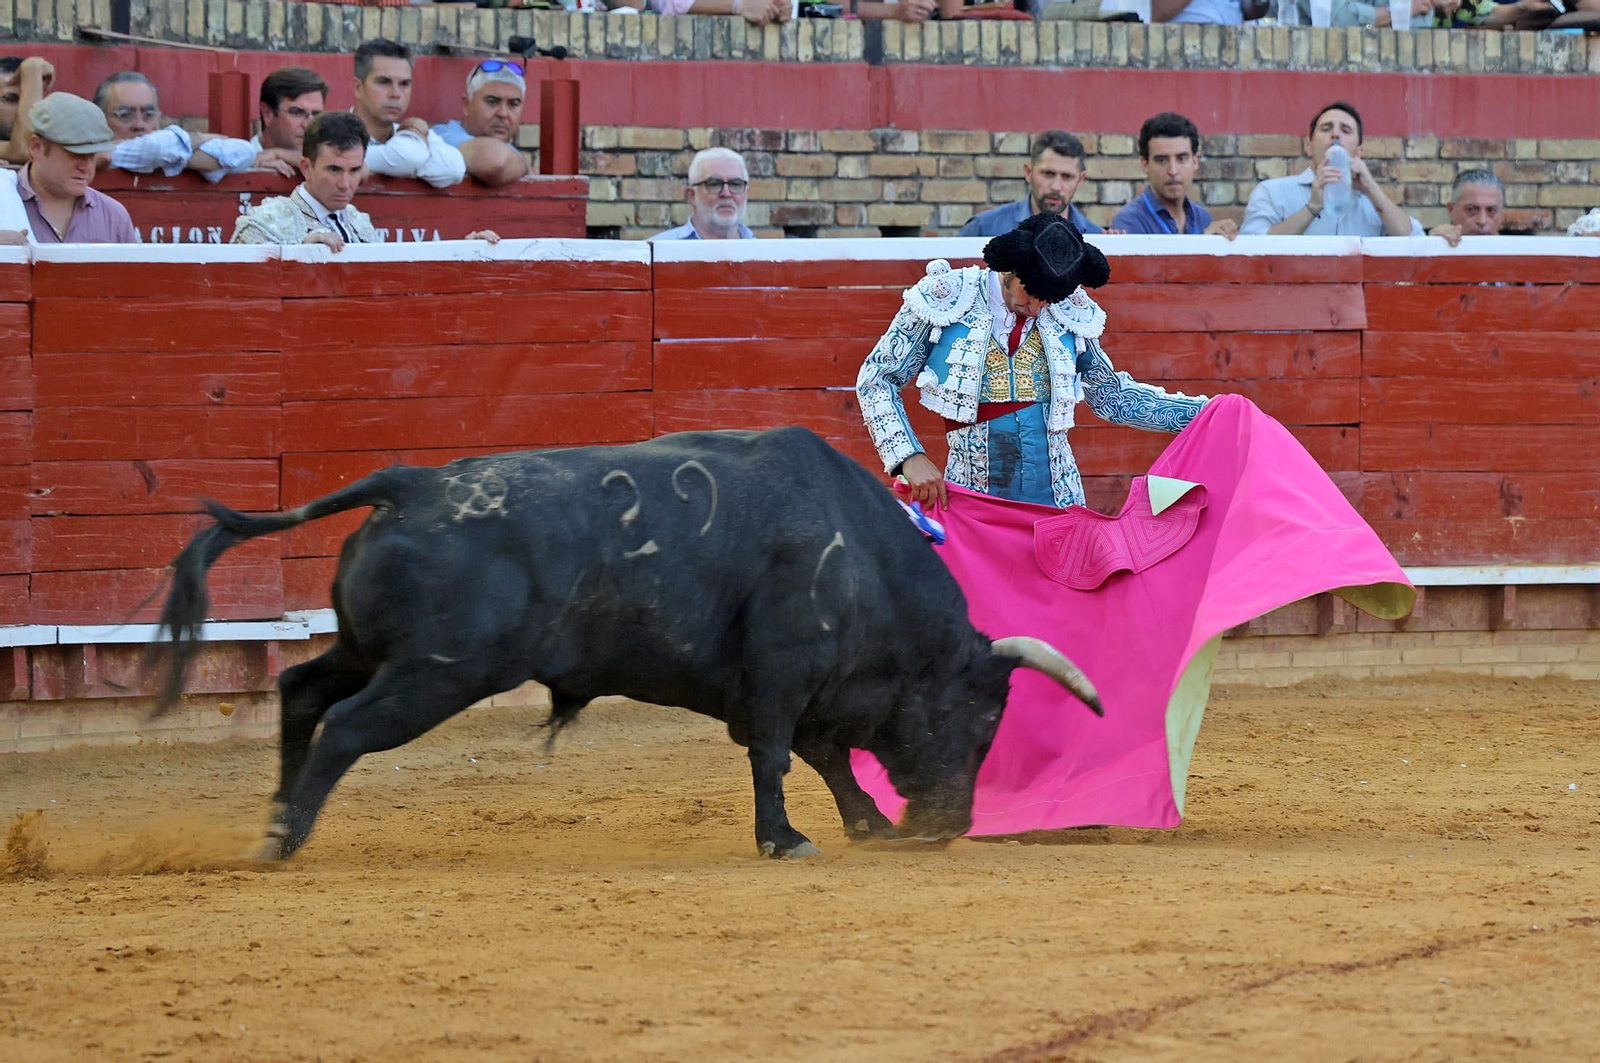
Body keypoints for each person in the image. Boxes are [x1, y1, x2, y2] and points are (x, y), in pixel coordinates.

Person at [857, 212, 1209, 511]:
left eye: (1049, 300)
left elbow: (1112, 397)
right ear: (1009, 268)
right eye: (1032, 293)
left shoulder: (1068, 310)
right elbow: (877, 379)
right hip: (972, 499)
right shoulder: (947, 296)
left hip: (1060, 501)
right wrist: (908, 457)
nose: (1039, 308)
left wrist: (1205, 414)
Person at [232, 112, 496, 250]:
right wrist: (298, 257)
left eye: (354, 170)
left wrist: (465, 251)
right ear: (306, 167)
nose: (346, 184)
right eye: (333, 170)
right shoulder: (265, 222)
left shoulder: (359, 223)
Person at [1240, 101, 1422, 238]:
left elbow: (1416, 243)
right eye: (1326, 128)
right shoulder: (1273, 192)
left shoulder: (1373, 204)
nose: (1335, 134)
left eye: (1346, 130)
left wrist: (1372, 189)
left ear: (1359, 152)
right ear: (1309, 146)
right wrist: (1311, 208)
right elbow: (1252, 248)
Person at [95, 72, 290, 181]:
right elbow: (157, 148)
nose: (139, 125)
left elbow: (243, 151)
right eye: (125, 115)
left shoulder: (171, 149)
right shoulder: (96, 156)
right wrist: (200, 140)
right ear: (100, 121)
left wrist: (175, 155)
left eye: (148, 114)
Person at [14, 92, 138, 244]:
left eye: (92, 155)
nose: (86, 166)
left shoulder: (113, 216)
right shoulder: (5, 201)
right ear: (37, 147)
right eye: (74, 154)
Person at [351, 39, 466, 189]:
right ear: (358, 87)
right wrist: (411, 159)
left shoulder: (412, 133)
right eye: (384, 82)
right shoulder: (336, 132)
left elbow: (455, 169)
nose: (396, 94)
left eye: (404, 84)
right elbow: (410, 157)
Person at [1111, 112, 1238, 239]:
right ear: (1145, 164)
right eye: (1161, 160)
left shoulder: (1202, 217)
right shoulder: (1129, 221)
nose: (1173, 170)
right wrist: (1202, 243)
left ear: (1195, 161)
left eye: (1181, 159)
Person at [959, 131, 1105, 237]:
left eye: (1067, 177)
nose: (1056, 186)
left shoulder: (1096, 238)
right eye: (1048, 174)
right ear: (1029, 172)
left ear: (1080, 180)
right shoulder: (983, 229)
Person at [432, 60, 530, 187]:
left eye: (513, 104)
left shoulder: (507, 149)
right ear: (466, 104)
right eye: (492, 102)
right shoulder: (442, 137)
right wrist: (526, 167)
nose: (503, 113)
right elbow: (495, 161)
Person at [652, 147, 755, 241]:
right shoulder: (658, 251)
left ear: (746, 193)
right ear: (691, 196)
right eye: (714, 184)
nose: (726, 193)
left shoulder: (764, 253)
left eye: (735, 184)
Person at [253, 66, 327, 167]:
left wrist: (282, 154)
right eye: (297, 112)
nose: (308, 125)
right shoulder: (237, 161)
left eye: (316, 114)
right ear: (268, 113)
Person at [1428, 170, 1503, 243]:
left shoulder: (1513, 250)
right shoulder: (1435, 244)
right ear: (1451, 209)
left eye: (1491, 210)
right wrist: (1433, 245)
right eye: (1471, 210)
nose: (1482, 221)